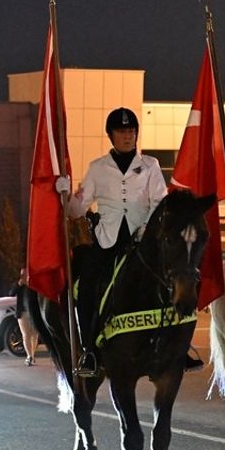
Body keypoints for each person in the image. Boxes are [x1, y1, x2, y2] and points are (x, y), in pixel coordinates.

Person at [57, 107, 177, 377]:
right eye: (122, 131)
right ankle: (88, 350)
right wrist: (65, 194)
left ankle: (177, 345)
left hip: (143, 241)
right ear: (110, 135)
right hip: (108, 240)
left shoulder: (151, 165)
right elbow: (77, 210)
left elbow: (160, 202)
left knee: (174, 279)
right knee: (86, 287)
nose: (128, 135)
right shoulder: (97, 168)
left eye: (132, 130)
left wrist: (147, 228)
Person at [11, 268, 39, 366]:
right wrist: (19, 284)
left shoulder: (34, 283)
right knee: (26, 335)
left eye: (25, 274)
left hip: (33, 312)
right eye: (22, 274)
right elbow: (11, 293)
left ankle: (32, 354)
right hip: (22, 312)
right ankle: (29, 356)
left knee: (34, 335)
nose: (23, 276)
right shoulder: (19, 285)